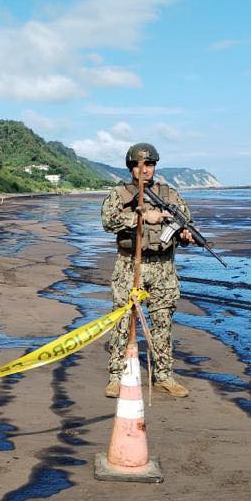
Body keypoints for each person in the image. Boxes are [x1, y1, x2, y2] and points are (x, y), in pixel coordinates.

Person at [101, 142, 193, 399]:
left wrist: (185, 235)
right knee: (122, 320)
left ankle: (163, 375)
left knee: (163, 322)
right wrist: (141, 217)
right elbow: (108, 221)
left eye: (150, 164)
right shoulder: (120, 193)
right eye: (141, 164)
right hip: (131, 265)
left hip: (164, 266)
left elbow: (185, 221)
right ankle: (116, 376)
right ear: (131, 167)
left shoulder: (169, 193)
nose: (146, 170)